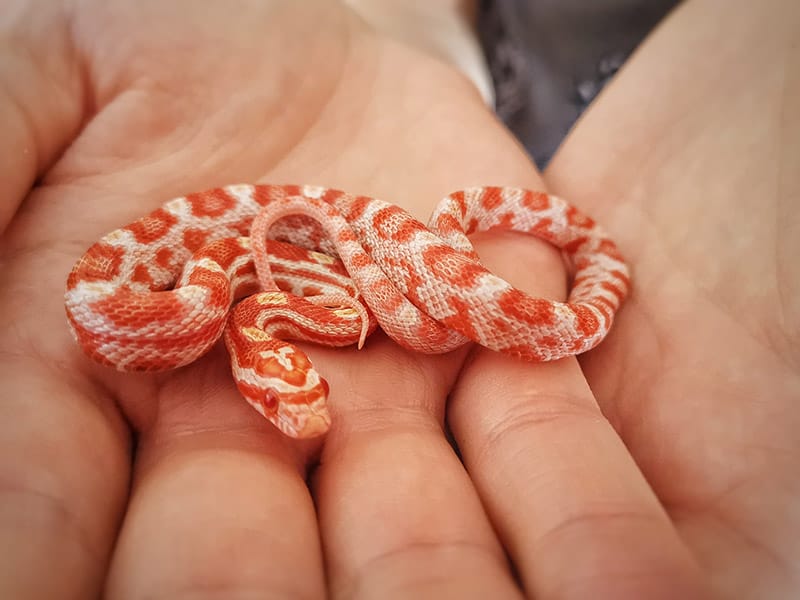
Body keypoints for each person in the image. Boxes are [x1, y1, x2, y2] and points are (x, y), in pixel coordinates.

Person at [0, 0, 797, 598]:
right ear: (261, 370)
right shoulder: (225, 301)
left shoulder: (275, 298)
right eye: (292, 402)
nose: (305, 413)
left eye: (298, 399)